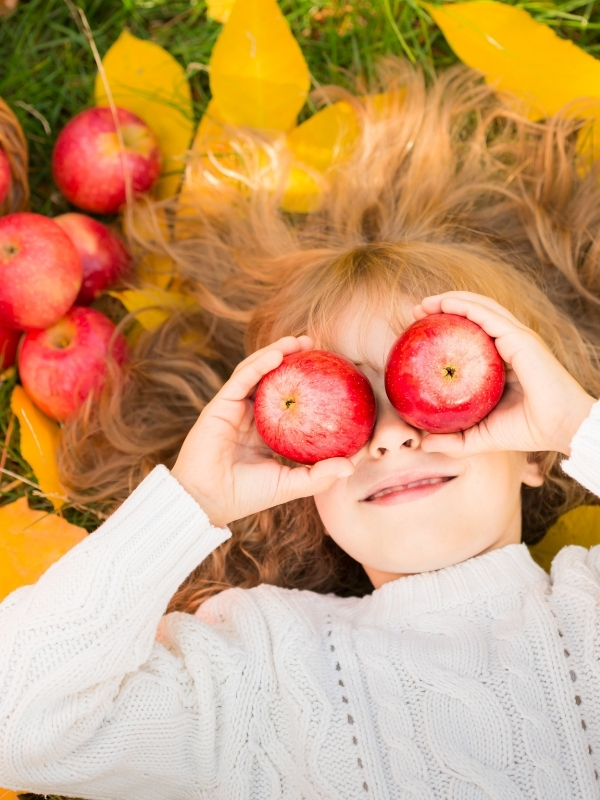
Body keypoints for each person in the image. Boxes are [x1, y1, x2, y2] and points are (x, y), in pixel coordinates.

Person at [2, 61, 600, 799]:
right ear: (298, 474)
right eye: (349, 406)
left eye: (439, 392)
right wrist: (189, 505)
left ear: (535, 451)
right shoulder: (264, 669)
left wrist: (579, 425)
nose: (389, 437)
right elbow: (18, 722)